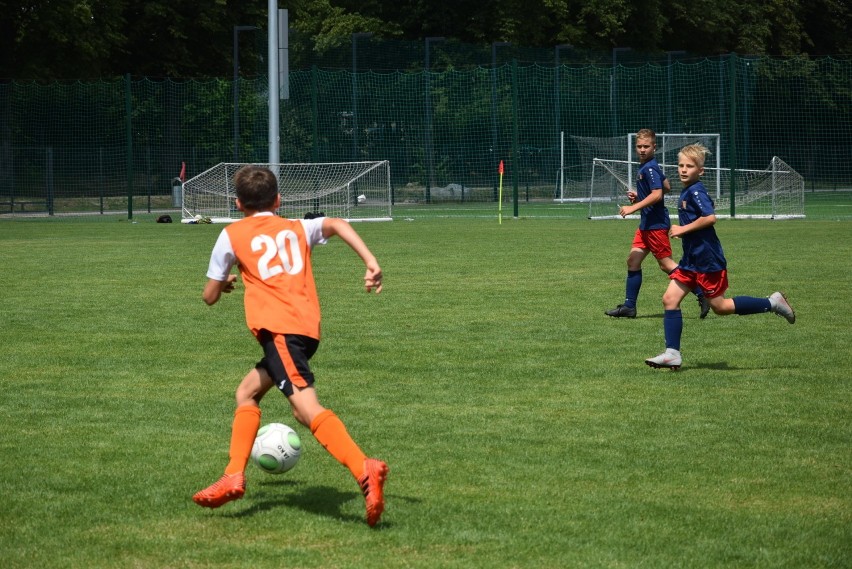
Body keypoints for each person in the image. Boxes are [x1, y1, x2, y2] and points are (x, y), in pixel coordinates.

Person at [192, 165, 389, 527]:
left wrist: (226, 282)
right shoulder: (299, 226)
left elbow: (208, 297)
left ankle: (365, 468)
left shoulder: (231, 235)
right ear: (279, 200)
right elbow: (339, 223)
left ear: (238, 204)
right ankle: (233, 474)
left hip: (279, 332)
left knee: (307, 409)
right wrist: (371, 261)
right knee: (247, 393)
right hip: (304, 330)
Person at [645, 144, 795, 370]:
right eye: (681, 165)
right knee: (670, 299)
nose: (684, 170)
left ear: (701, 171)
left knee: (721, 307)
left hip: (707, 260)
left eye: (690, 166)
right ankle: (672, 353)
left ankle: (773, 302)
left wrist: (682, 230)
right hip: (691, 261)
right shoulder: (687, 191)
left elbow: (710, 218)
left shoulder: (696, 191)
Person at [606, 129, 709, 319]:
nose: (642, 150)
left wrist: (633, 207)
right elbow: (666, 187)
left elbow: (658, 194)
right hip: (646, 225)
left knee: (666, 264)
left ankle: (702, 293)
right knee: (633, 260)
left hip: (656, 225)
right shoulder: (648, 166)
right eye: (639, 146)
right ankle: (629, 307)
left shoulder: (650, 168)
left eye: (646, 146)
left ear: (655, 147)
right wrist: (639, 196)